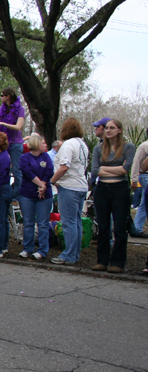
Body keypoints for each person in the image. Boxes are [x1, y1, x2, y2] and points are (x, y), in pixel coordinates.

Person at [90, 119, 135, 273]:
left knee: (120, 227)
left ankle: (117, 262)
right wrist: (115, 168)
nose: (108, 131)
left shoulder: (128, 147)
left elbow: (125, 170)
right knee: (103, 226)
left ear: (119, 130)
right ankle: (102, 261)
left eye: (112, 128)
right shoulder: (98, 148)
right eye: (106, 128)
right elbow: (95, 170)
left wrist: (106, 168)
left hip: (120, 189)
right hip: (102, 188)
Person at [50, 117, 89, 266]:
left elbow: (64, 166)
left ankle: (69, 255)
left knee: (68, 222)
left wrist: (52, 181)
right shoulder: (83, 144)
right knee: (76, 221)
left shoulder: (68, 145)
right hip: (81, 186)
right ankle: (75, 253)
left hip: (69, 186)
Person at [18, 134, 54, 261]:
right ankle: (27, 248)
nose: (45, 145)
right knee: (28, 222)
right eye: (43, 143)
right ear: (36, 144)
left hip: (44, 196)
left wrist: (43, 186)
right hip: (27, 194)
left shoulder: (46, 157)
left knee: (43, 223)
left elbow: (49, 171)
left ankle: (43, 250)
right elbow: (27, 172)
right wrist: (40, 185)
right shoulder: (24, 157)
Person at [0, 87, 26, 197]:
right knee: (3, 168)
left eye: (2, 95)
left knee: (16, 170)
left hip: (16, 143)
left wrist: (3, 124)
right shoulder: (1, 109)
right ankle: (3, 191)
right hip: (4, 142)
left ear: (8, 96)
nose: (1, 98)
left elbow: (18, 127)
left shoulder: (20, 109)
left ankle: (16, 194)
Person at [131, 132, 148, 235]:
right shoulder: (144, 146)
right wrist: (134, 179)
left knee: (144, 203)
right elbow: (136, 162)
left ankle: (137, 228)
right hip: (145, 175)